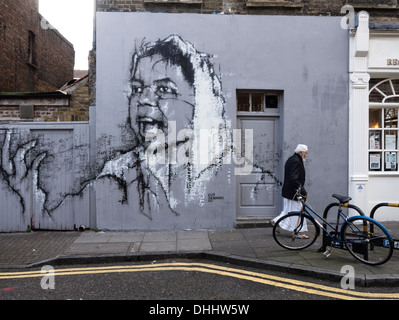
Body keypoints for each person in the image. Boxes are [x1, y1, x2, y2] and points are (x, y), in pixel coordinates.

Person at [271, 144, 308, 236]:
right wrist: (303, 191)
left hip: (289, 191)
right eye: (305, 153)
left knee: (288, 211)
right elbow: (293, 178)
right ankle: (296, 232)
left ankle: (275, 221)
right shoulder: (296, 161)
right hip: (294, 192)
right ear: (301, 153)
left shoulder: (292, 159)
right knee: (298, 211)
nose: (306, 155)